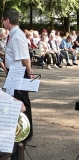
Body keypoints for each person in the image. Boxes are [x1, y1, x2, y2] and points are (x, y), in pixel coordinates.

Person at [2, 8, 34, 147]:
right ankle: (18, 132)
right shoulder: (14, 34)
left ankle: (26, 133)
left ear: (7, 20)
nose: (2, 23)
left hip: (18, 73)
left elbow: (25, 59)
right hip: (14, 72)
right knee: (15, 102)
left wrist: (30, 72)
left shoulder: (16, 35)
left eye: (3, 20)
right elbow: (13, 55)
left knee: (21, 103)